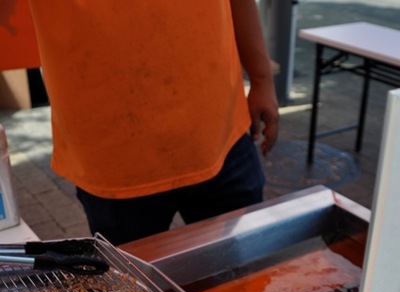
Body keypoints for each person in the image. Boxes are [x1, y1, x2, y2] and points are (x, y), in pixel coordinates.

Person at [28, 0, 279, 245]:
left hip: (220, 133)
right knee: (134, 285)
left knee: (240, 277)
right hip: (113, 159)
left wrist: (261, 78)